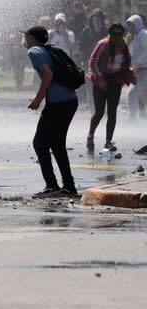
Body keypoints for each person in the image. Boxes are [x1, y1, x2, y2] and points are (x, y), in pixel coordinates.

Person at [22, 26, 78, 198]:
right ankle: (68, 187)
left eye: (26, 36)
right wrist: (41, 97)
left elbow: (48, 75)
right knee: (57, 144)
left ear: (32, 39)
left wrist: (38, 100)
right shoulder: (47, 49)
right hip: (69, 101)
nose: (24, 39)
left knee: (39, 143)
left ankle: (52, 186)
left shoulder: (34, 52)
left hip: (59, 104)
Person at [86, 23, 134, 152]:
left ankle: (108, 141)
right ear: (110, 34)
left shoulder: (124, 46)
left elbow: (126, 62)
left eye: (119, 35)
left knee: (112, 112)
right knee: (99, 112)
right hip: (101, 81)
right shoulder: (103, 44)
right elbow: (92, 62)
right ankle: (90, 135)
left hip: (115, 82)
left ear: (122, 35)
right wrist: (100, 79)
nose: (116, 37)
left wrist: (129, 75)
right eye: (113, 34)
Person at [125, 14, 147, 120]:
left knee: (132, 94)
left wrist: (138, 63)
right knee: (143, 96)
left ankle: (132, 119)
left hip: (144, 70)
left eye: (132, 25)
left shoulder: (143, 34)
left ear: (137, 24)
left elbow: (146, 52)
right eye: (128, 25)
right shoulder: (133, 37)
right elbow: (129, 53)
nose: (130, 28)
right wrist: (126, 41)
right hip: (138, 72)